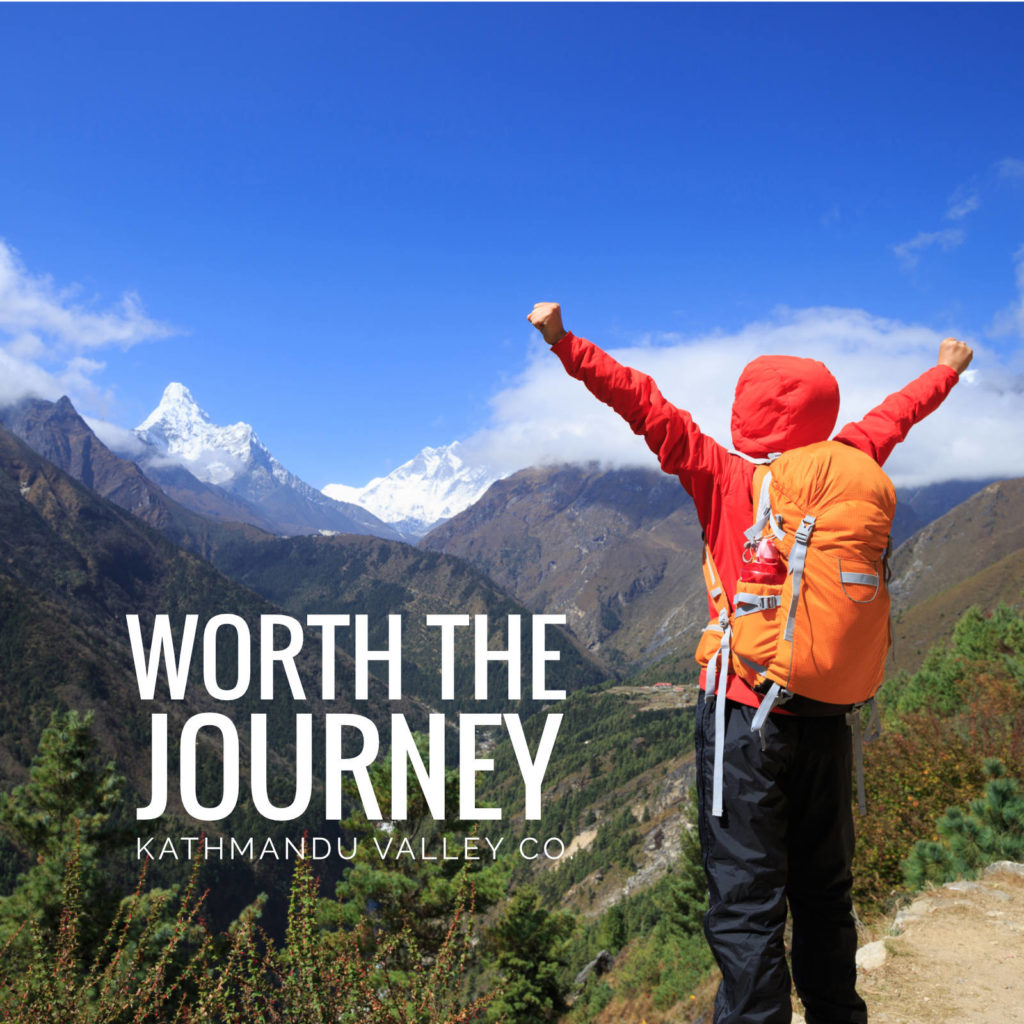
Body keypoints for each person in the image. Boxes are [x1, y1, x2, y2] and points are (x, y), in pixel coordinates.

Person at [527, 301, 973, 1024]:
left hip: (744, 716)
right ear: (822, 412)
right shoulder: (852, 464)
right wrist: (945, 371)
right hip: (828, 713)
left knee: (745, 903)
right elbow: (898, 415)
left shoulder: (723, 477)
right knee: (825, 892)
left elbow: (644, 405)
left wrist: (564, 343)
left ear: (746, 411)